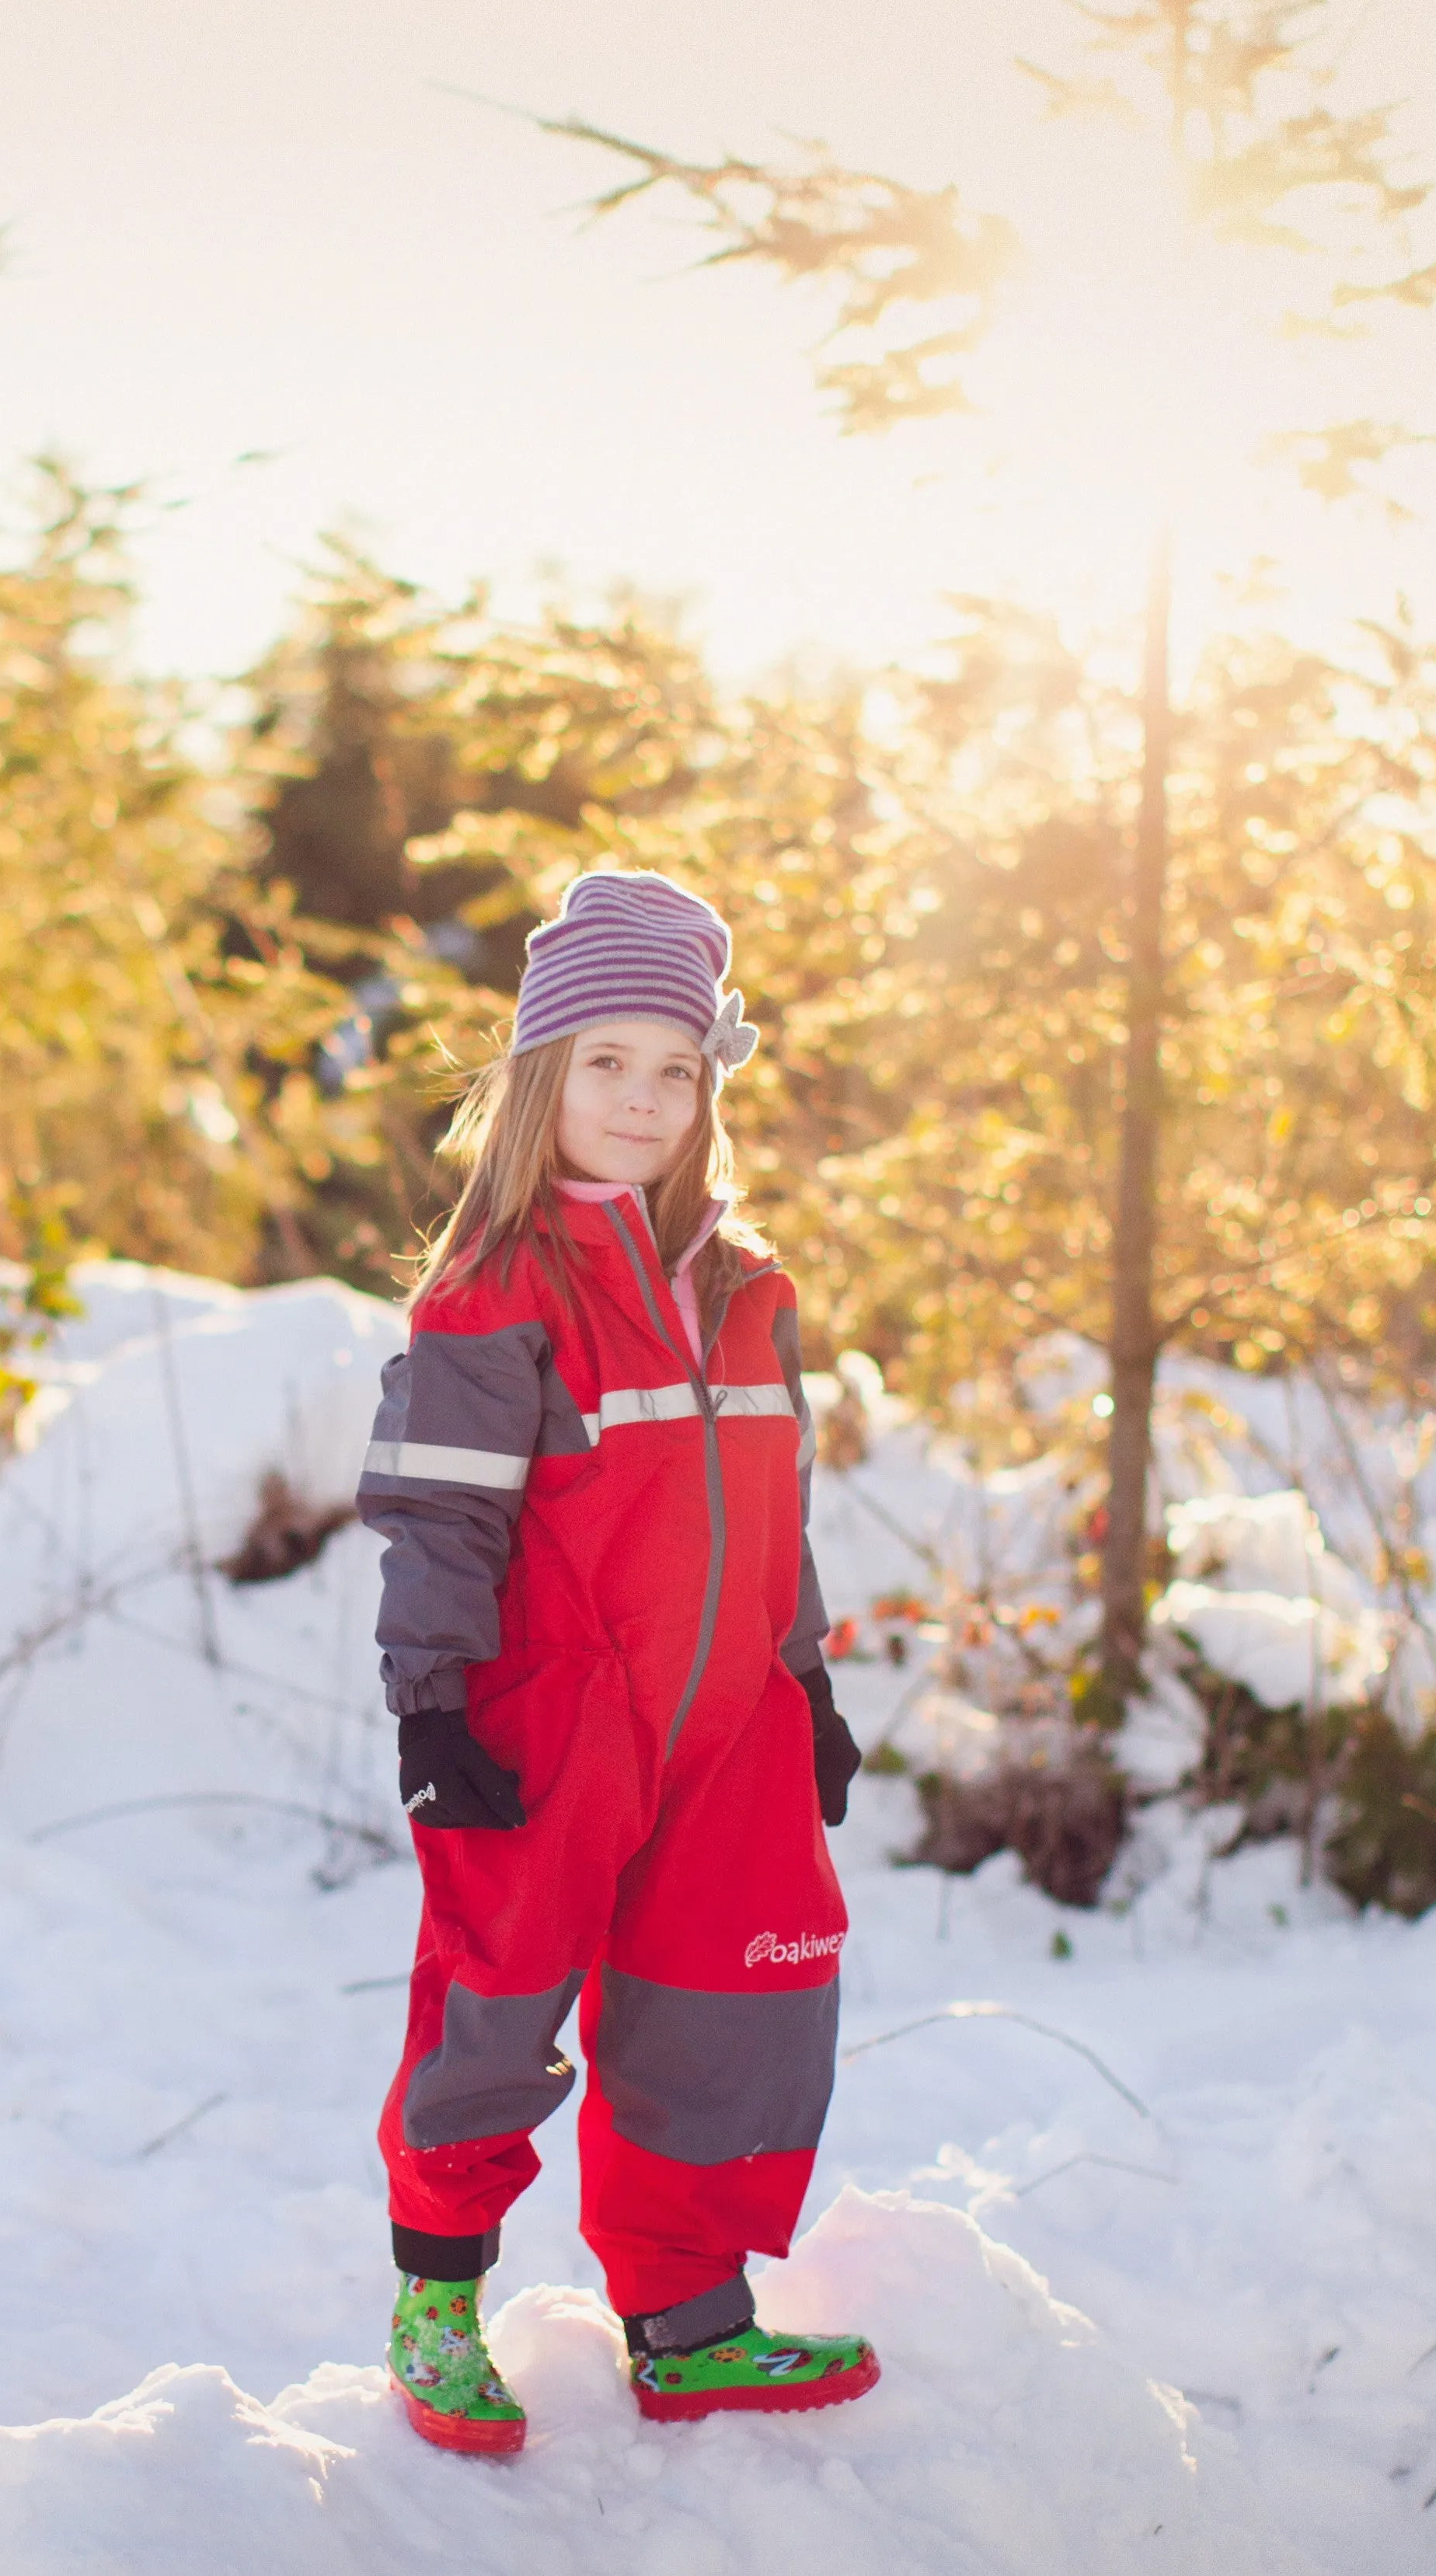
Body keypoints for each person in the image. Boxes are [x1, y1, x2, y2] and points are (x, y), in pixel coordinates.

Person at [357, 870, 875, 2457]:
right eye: (607, 1065)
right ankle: (439, 2300)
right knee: (497, 2002)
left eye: (676, 1069)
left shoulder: (745, 1290)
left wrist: (809, 1680)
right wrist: (435, 1699)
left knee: (723, 2000)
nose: (642, 1101)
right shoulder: (496, 1291)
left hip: (729, 1733)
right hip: (546, 1723)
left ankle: (688, 2319)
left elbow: (772, 1512)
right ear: (539, 1079)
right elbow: (434, 1519)